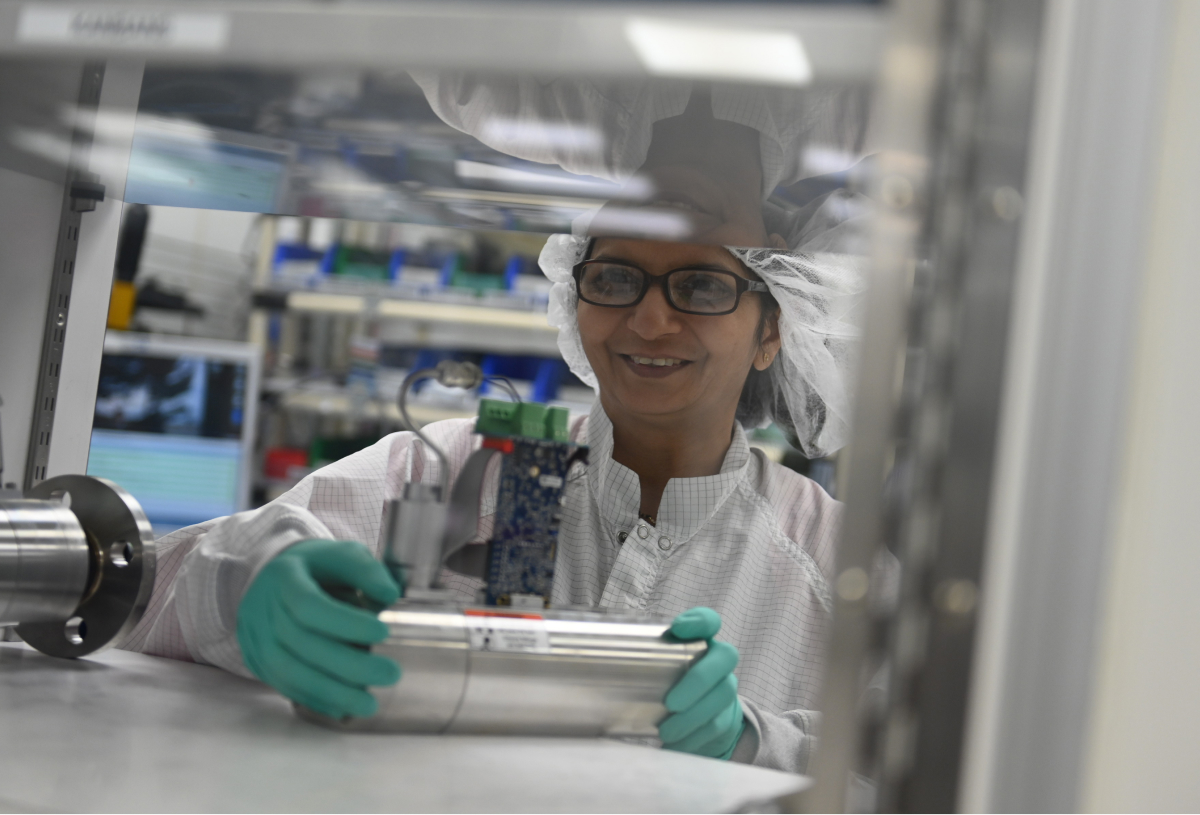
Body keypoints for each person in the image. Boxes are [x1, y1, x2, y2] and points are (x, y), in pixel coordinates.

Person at [119, 87, 867, 773]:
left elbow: (911, 766)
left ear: (774, 326)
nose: (647, 320)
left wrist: (757, 741)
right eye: (614, 278)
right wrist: (244, 584)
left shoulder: (838, 562)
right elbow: (149, 587)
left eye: (701, 285)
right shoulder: (457, 468)